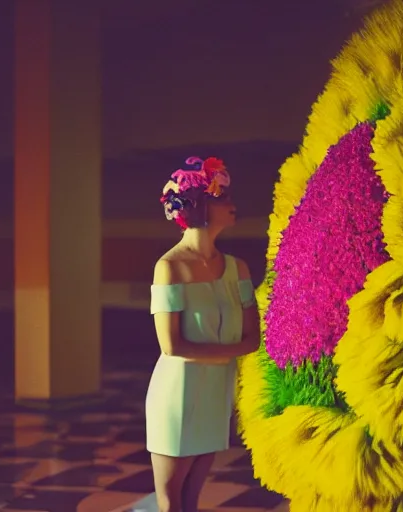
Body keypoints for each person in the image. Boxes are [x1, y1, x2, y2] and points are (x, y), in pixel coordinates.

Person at [146, 156, 261, 512]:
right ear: (201, 206)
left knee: (192, 499)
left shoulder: (236, 268)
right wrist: (231, 351)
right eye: (223, 198)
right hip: (177, 393)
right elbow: (171, 345)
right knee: (171, 501)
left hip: (214, 392)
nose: (233, 206)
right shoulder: (170, 267)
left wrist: (231, 352)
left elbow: (253, 337)